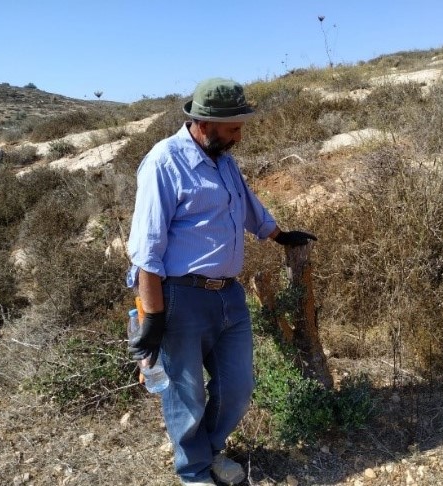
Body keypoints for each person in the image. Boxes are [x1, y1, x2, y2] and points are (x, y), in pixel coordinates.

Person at [126, 77, 316, 485]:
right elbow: (147, 250)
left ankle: (210, 449)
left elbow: (247, 206)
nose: (239, 137)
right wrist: (154, 318)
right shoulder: (164, 162)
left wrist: (278, 235)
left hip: (229, 295)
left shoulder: (223, 159)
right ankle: (194, 471)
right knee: (187, 393)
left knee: (238, 387)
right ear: (205, 123)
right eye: (233, 129)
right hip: (180, 297)